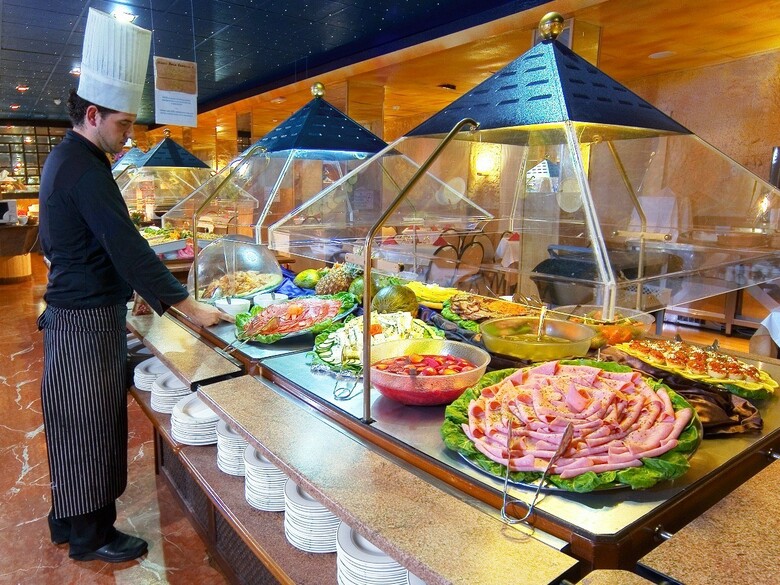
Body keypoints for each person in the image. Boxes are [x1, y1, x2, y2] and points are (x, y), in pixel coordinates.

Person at [37, 9, 232, 563]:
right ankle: (90, 537)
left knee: (73, 424)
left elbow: (81, 244)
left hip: (75, 315)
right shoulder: (84, 168)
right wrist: (189, 306)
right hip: (83, 322)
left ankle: (68, 521)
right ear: (92, 115)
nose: (127, 137)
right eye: (123, 125)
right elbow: (126, 246)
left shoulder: (69, 158)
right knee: (89, 426)